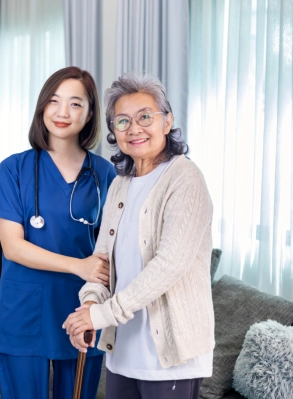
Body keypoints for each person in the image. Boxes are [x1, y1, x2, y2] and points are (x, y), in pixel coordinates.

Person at [63, 73, 215, 399]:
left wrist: (101, 314)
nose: (134, 128)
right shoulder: (121, 183)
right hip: (123, 352)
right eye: (122, 121)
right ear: (114, 132)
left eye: (145, 116)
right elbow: (102, 260)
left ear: (167, 120)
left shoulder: (185, 179)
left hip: (171, 359)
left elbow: (168, 266)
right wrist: (89, 306)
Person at [0, 66, 116, 399]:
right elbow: (13, 247)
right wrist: (78, 265)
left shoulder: (105, 174)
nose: (62, 112)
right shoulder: (13, 169)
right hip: (24, 309)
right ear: (42, 107)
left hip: (82, 308)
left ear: (89, 115)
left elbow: (113, 246)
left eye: (75, 104)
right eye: (54, 101)